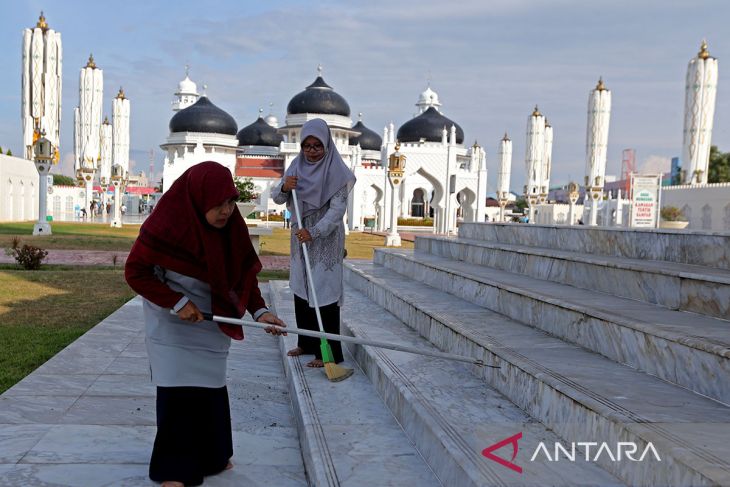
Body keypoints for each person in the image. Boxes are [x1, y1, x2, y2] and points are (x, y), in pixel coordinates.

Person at [125, 161, 286, 487]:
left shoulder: (231, 227)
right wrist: (178, 302)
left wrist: (260, 312)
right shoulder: (167, 224)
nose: (226, 211)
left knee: (210, 388)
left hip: (210, 319)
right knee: (178, 392)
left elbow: (241, 277)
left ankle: (213, 455)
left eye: (230, 201)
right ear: (198, 198)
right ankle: (173, 470)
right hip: (171, 320)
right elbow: (135, 272)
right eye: (218, 204)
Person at [272, 118, 356, 368]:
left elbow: (337, 210)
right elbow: (277, 198)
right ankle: (307, 343)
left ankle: (329, 353)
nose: (311, 150)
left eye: (317, 145)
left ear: (326, 145)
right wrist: (285, 187)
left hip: (325, 238)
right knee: (302, 287)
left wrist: (315, 232)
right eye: (307, 145)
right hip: (300, 237)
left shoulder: (337, 172)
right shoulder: (295, 166)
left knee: (324, 291)